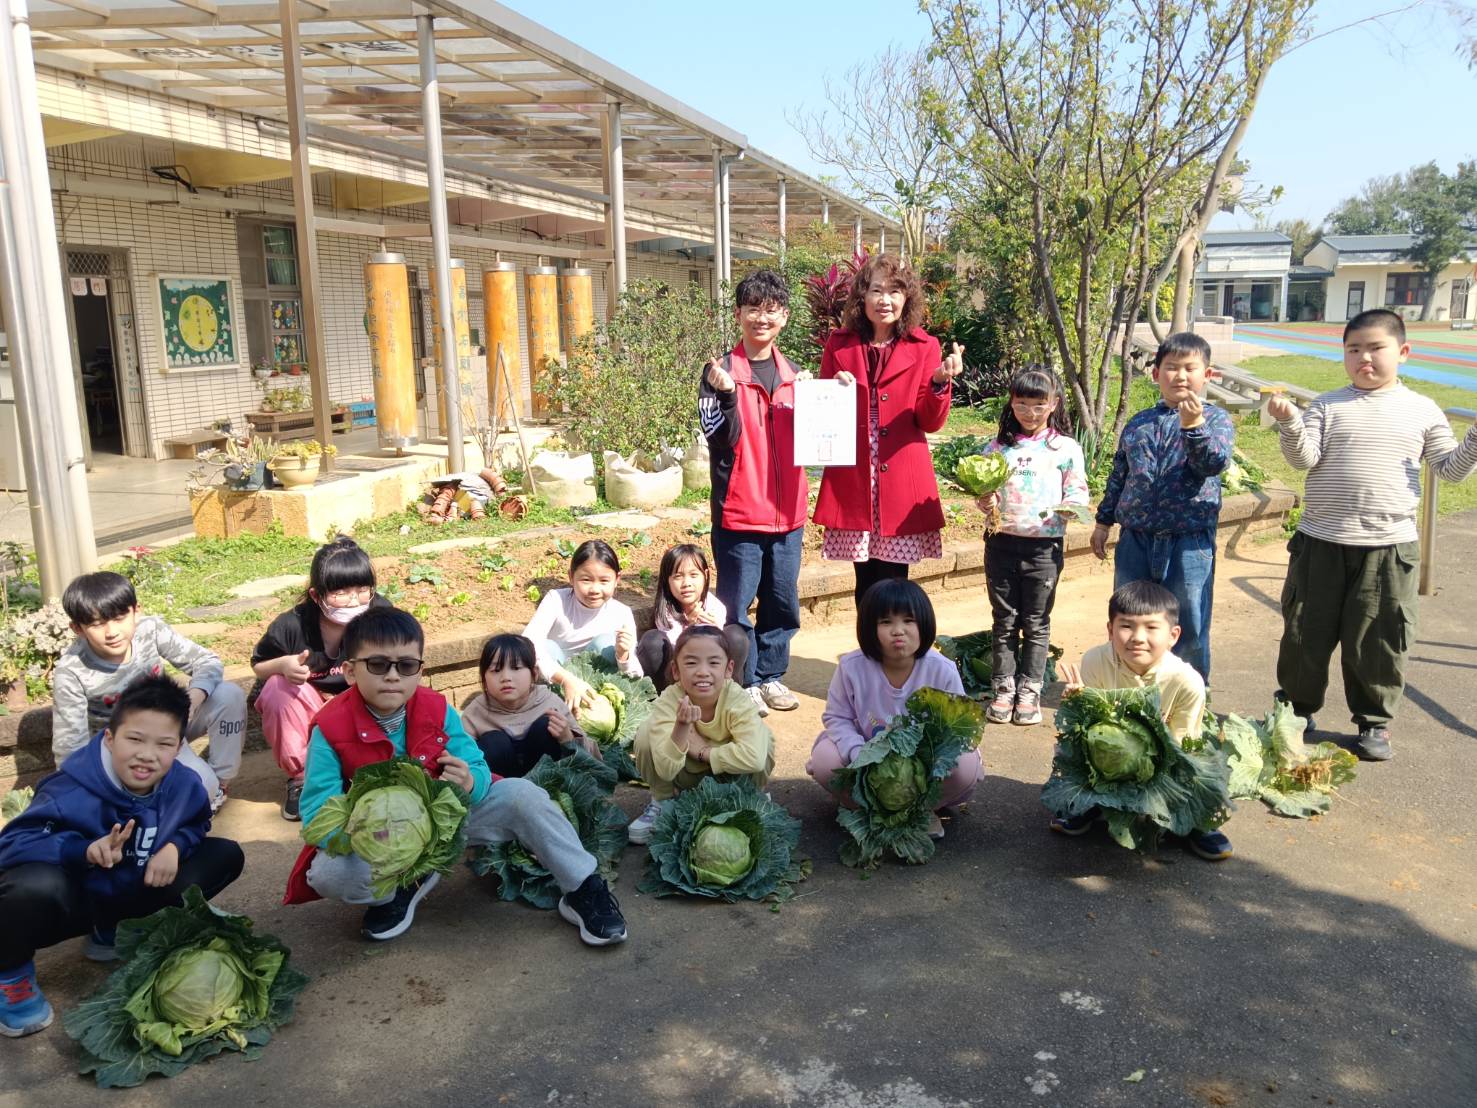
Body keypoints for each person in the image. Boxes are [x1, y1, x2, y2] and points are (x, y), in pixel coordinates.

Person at [283, 607, 626, 946]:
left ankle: (583, 887)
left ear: (419, 670)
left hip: (447, 821)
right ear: (350, 671)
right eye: (377, 664)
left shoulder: (436, 708)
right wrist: (378, 840)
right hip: (383, 837)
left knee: (525, 796)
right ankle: (395, 890)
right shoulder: (330, 728)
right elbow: (318, 810)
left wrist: (471, 783)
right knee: (331, 874)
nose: (392, 676)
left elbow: (475, 765)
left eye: (405, 666)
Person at [1267, 308, 1477, 761]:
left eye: (1375, 348)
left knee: (1379, 639)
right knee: (1305, 632)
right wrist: (1289, 423)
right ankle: (1296, 712)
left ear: (1402, 352)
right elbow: (1304, 459)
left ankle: (1373, 723)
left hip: (1388, 547)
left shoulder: (1422, 409)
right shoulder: (1327, 405)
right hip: (1320, 541)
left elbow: (1451, 470)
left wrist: (1475, 437)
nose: (1364, 357)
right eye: (1354, 349)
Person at [0, 677, 245, 1037]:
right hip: (76, 900)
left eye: (164, 744)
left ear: (179, 747)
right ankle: (11, 976)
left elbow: (196, 824)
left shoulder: (185, 785)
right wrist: (80, 850)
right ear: (110, 738)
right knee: (30, 886)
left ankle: (113, 932)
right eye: (134, 739)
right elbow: (12, 844)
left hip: (133, 887)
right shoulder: (69, 787)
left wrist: (174, 847)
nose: (147, 754)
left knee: (224, 855)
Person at [812, 253, 964, 607]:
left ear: (906, 298)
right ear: (862, 297)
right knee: (864, 579)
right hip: (854, 475)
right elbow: (821, 417)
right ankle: (868, 657)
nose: (885, 300)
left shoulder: (925, 346)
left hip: (900, 476)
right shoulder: (840, 343)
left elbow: (930, 421)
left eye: (895, 291)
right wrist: (833, 390)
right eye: (876, 290)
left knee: (895, 581)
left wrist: (940, 382)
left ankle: (893, 655)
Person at [1052, 580, 1230, 861]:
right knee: (1067, 750)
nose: (1137, 637)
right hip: (1105, 760)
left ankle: (1198, 823)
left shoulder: (1187, 682)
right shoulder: (1096, 661)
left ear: (1173, 635)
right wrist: (1076, 705)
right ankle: (1086, 806)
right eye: (1126, 626)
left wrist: (1149, 771)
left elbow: (1184, 747)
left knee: (1206, 769)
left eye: (1151, 627)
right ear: (1110, 630)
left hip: (1164, 763)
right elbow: (1088, 729)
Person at [1091, 332, 1233, 682]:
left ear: (1207, 375)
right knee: (1130, 615)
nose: (1180, 376)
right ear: (1156, 374)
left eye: (1190, 368)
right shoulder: (1139, 422)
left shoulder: (1215, 421)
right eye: (1171, 368)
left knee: (1188, 621)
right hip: (1136, 538)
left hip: (1188, 541)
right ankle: (1129, 686)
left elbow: (1213, 463)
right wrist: (1103, 521)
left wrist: (1194, 428)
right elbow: (1119, 475)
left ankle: (1191, 692)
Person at [699, 268, 808, 717]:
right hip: (741, 510)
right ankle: (742, 680)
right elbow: (717, 437)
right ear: (739, 313)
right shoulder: (718, 373)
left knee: (782, 602)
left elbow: (825, 441)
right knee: (735, 605)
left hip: (788, 513)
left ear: (783, 316)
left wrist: (834, 397)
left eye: (771, 310)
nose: (761, 318)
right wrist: (726, 397)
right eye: (753, 309)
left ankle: (772, 676)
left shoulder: (798, 377)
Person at [52, 571, 245, 811]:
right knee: (184, 797)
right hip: (120, 750)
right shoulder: (71, 670)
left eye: (120, 617)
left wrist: (194, 697)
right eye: (97, 624)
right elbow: (70, 746)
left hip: (169, 731)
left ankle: (219, 783)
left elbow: (207, 661)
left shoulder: (150, 630)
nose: (112, 632)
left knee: (229, 695)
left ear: (136, 610)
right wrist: (79, 800)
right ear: (77, 628)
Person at [806, 579, 981, 840]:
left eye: (909, 620)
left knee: (966, 766)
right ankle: (867, 808)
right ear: (868, 629)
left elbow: (958, 729)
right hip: (865, 757)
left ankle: (923, 811)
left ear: (925, 624)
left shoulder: (941, 669)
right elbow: (837, 717)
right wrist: (859, 752)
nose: (898, 630)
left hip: (927, 765)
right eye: (885, 622)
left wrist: (925, 763)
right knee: (824, 760)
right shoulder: (851, 667)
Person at [975, 366, 1090, 725]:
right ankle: (1004, 688)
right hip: (1001, 543)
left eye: (1039, 404)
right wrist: (985, 500)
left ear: (1054, 404)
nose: (1030, 411)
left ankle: (1030, 688)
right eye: (1022, 403)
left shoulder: (1065, 448)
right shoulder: (996, 448)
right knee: (1004, 620)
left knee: (1036, 622)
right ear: (1012, 403)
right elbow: (983, 490)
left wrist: (1071, 509)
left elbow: (1078, 492)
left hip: (1044, 549)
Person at [251, 536, 392, 822]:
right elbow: (258, 666)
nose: (354, 600)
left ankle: (369, 768)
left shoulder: (381, 614)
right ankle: (303, 778)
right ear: (317, 595)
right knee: (278, 687)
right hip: (310, 712)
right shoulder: (292, 625)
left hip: (362, 707)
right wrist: (283, 664)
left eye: (362, 589)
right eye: (341, 592)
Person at [627, 626, 776, 845]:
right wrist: (680, 728)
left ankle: (752, 797)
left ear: (729, 669)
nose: (703, 671)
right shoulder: (670, 700)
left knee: (763, 737)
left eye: (714, 662)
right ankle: (663, 802)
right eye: (691, 662)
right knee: (645, 733)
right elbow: (666, 770)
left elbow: (753, 759)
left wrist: (703, 751)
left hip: (732, 777)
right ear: (676, 671)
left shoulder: (737, 699)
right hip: (688, 778)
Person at [522, 539, 641, 711]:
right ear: (571, 577)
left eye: (604, 581)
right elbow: (527, 642)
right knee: (546, 646)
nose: (594, 589)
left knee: (606, 644)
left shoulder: (621, 613)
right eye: (586, 580)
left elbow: (636, 675)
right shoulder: (556, 600)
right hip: (556, 684)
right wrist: (567, 680)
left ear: (617, 579)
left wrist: (624, 657)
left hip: (596, 698)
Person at [461, 633, 601, 777]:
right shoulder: (475, 712)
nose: (506, 678)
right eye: (496, 670)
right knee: (494, 742)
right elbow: (459, 757)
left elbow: (592, 758)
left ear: (534, 674)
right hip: (502, 791)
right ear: (484, 679)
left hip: (550, 787)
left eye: (516, 668)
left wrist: (568, 738)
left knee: (547, 725)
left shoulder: (550, 702)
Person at [636, 543, 749, 693]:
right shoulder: (665, 611)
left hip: (710, 672)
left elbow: (717, 652)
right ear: (667, 580)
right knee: (652, 640)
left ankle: (729, 695)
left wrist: (715, 632)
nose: (686, 583)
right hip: (677, 677)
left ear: (706, 575)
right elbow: (676, 653)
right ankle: (663, 700)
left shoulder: (715, 607)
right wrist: (690, 626)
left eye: (694, 575)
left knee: (735, 635)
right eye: (678, 576)